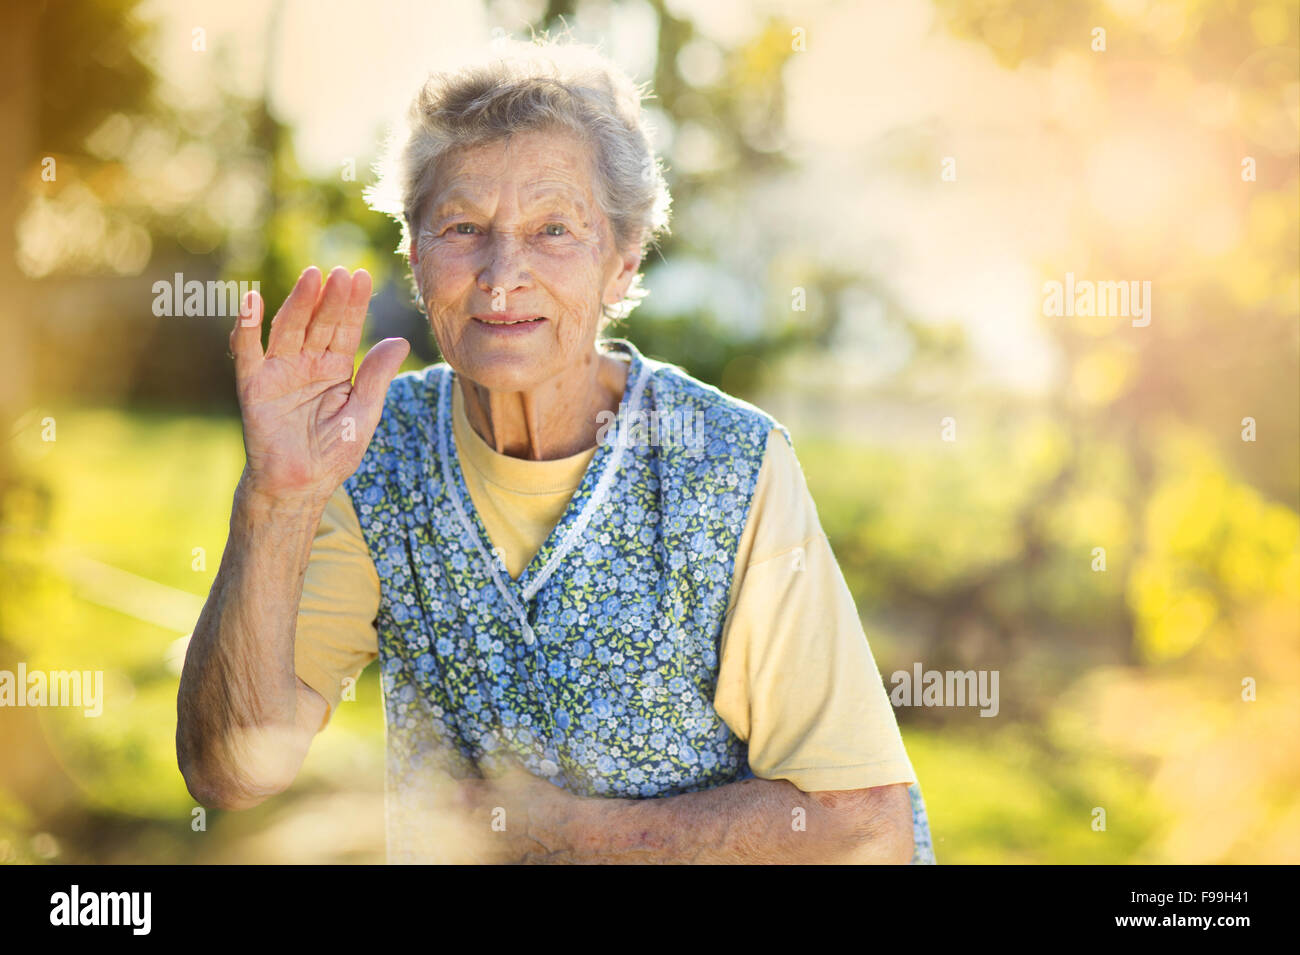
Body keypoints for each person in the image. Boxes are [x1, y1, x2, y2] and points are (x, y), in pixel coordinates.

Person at [176, 36, 935, 864]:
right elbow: (230, 770)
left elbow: (861, 825)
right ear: (416, 252)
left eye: (553, 230)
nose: (503, 276)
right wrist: (278, 497)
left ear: (622, 260)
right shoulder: (369, 448)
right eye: (464, 226)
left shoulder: (727, 464)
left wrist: (558, 834)